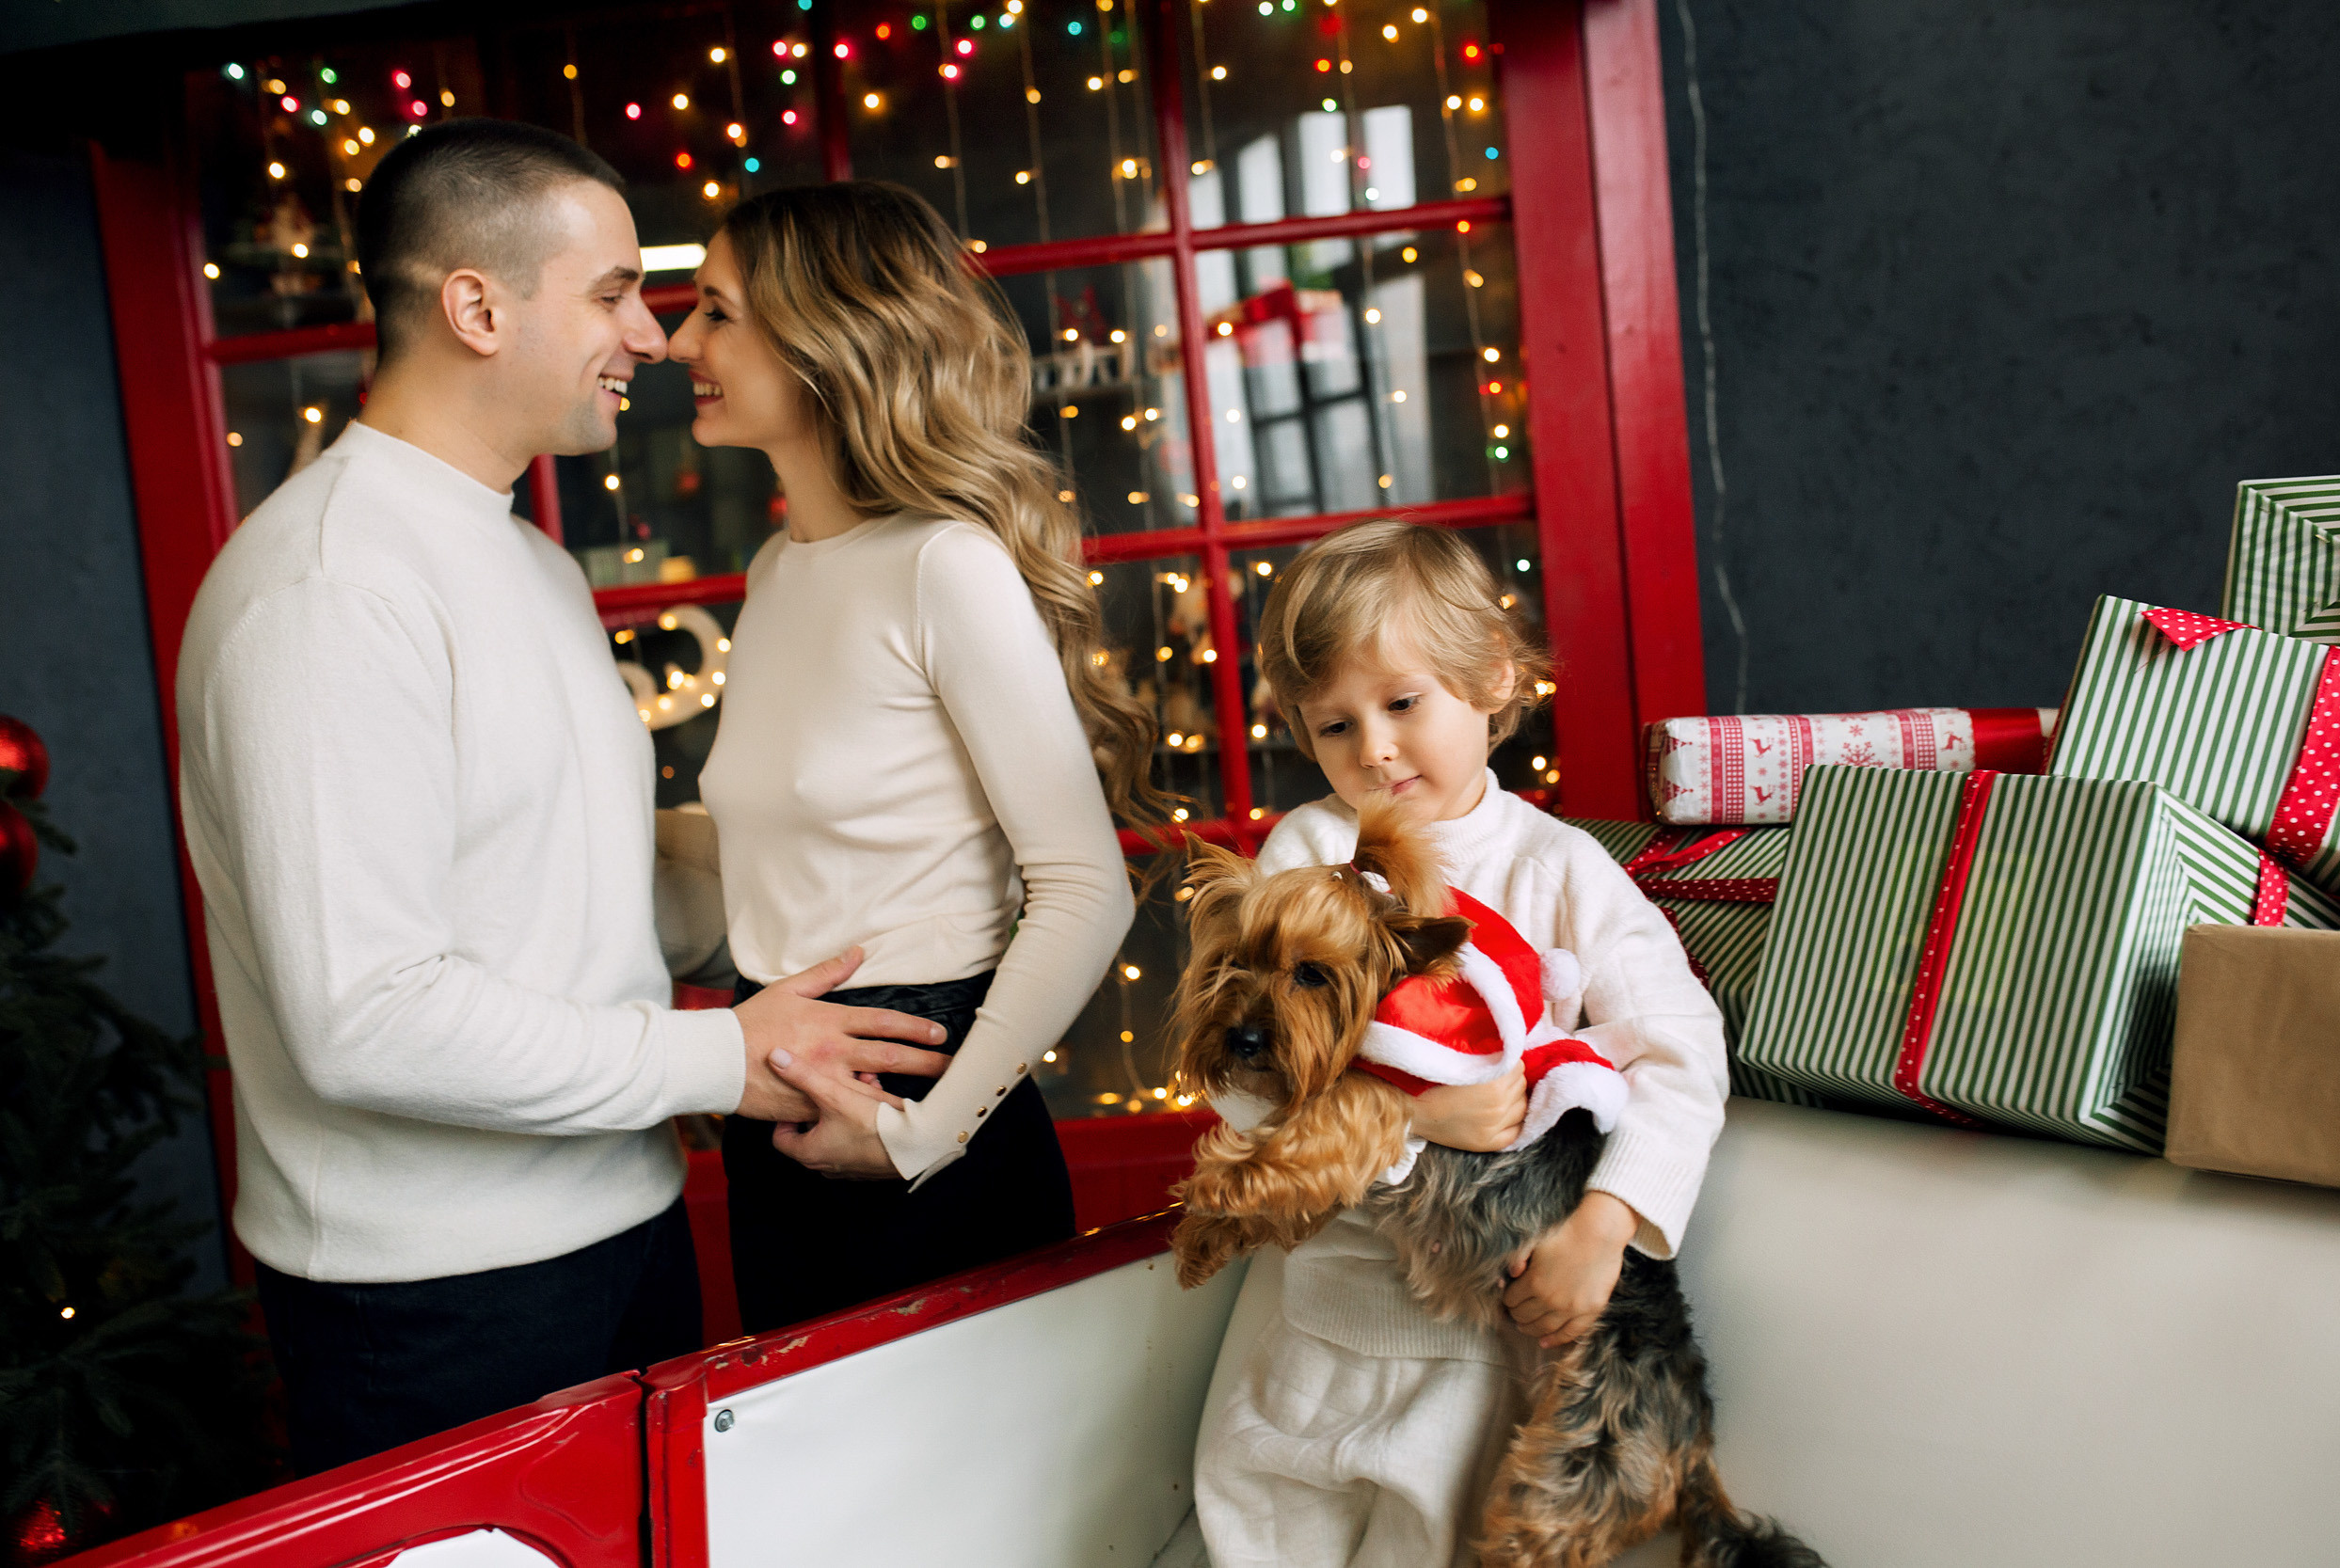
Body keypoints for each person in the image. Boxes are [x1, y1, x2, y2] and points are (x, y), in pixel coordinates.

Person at [174, 121, 949, 1476]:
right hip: (435, 1301)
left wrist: (874, 860)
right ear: (477, 308)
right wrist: (723, 1056)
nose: (653, 336)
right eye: (612, 294)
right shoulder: (328, 589)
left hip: (624, 1234)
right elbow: (366, 1014)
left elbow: (569, 880)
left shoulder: (528, 558)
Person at [665, 182, 1160, 1331]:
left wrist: (923, 1134)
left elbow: (1085, 884)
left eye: (716, 311)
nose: (680, 342)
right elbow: (792, 851)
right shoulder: (776, 569)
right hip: (775, 1106)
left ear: (826, 339)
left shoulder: (946, 565)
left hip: (920, 1121)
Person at [1192, 520, 1729, 1567]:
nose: (1373, 749)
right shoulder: (1310, 852)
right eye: (1335, 724)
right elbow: (1241, 1069)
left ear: (1492, 676)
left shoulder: (1557, 867)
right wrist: (1410, 1116)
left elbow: (1681, 1048)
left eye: (1402, 704)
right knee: (1256, 1526)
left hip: (1473, 1348)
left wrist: (1607, 1224)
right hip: (1313, 1315)